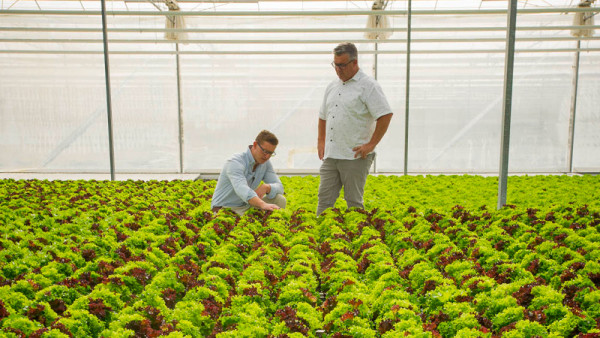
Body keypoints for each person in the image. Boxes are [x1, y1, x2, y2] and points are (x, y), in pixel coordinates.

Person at [317, 42, 393, 215]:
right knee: (324, 199)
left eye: (342, 65)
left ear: (355, 63)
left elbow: (385, 115)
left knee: (353, 201)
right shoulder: (332, 86)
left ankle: (356, 235)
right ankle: (321, 237)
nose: (338, 70)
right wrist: (321, 141)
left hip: (355, 155)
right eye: (335, 65)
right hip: (331, 154)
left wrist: (371, 145)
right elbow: (323, 116)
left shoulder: (368, 86)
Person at [211, 130, 286, 215]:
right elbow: (242, 189)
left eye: (270, 153)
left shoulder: (265, 164)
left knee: (279, 200)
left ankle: (267, 224)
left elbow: (280, 187)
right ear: (255, 145)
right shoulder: (235, 162)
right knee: (246, 220)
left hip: (246, 206)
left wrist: (267, 187)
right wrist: (262, 204)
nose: (267, 156)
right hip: (225, 208)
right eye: (264, 151)